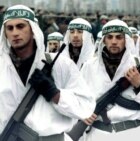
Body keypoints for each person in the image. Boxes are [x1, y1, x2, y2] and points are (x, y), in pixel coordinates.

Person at [0, 5, 95, 141]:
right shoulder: (1, 68)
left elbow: (86, 107)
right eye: (10, 28)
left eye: (20, 26)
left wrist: (55, 94)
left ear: (33, 29)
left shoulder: (60, 65)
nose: (15, 32)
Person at [79, 19, 140, 141]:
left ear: (127, 40)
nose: (114, 41)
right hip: (97, 135)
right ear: (104, 40)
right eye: (110, 37)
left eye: (119, 37)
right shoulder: (89, 66)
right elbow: (78, 99)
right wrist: (83, 114)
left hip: (133, 134)